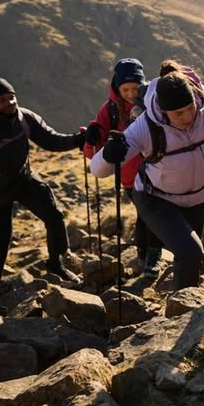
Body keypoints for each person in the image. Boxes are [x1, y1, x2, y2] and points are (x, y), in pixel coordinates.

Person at [91, 60, 204, 290]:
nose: (187, 117)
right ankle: (181, 312)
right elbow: (98, 169)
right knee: (191, 253)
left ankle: (183, 297)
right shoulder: (146, 126)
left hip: (197, 198)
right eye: (178, 114)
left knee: (192, 255)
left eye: (190, 108)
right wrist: (108, 155)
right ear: (163, 112)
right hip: (155, 199)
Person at [0, 77, 88, 281]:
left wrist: (79, 140)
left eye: (11, 97)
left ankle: (57, 265)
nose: (10, 103)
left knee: (54, 217)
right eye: (3, 100)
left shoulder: (23, 117)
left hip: (23, 179)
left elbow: (50, 140)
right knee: (0, 241)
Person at [83, 58, 166, 278]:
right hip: (130, 176)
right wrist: (92, 136)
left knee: (151, 212)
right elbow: (92, 150)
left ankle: (150, 257)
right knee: (147, 213)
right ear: (117, 87)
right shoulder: (109, 109)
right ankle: (147, 258)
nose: (130, 93)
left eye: (135, 88)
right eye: (125, 89)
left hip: (157, 169)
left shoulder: (152, 101)